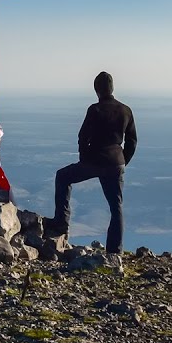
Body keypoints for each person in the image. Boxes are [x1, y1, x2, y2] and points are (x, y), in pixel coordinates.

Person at [44, 71, 137, 254]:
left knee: (62, 177)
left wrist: (84, 158)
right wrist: (123, 161)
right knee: (116, 207)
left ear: (97, 90)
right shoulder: (126, 110)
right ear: (112, 88)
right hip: (116, 163)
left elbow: (82, 137)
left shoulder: (95, 109)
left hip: (95, 161)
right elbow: (132, 141)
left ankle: (61, 223)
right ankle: (114, 251)